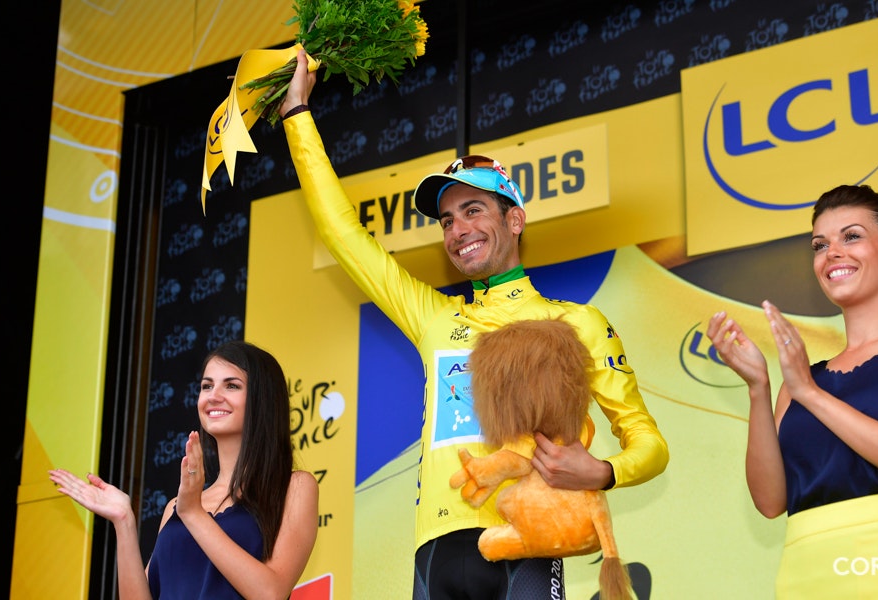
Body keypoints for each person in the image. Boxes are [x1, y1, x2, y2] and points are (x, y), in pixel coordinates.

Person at [278, 48, 668, 599]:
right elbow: (342, 234)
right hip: (436, 546)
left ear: (514, 219)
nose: (458, 228)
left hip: (527, 543)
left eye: (473, 210)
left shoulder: (576, 322)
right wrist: (298, 115)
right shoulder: (434, 316)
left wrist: (601, 472)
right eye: (447, 219)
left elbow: (648, 441)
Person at [706, 184, 878, 598]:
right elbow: (772, 502)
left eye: (852, 236)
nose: (832, 252)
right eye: (819, 244)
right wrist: (759, 387)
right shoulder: (801, 379)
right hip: (803, 569)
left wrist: (811, 394)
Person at [50, 340, 319, 599]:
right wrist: (124, 522)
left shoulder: (295, 487)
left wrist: (193, 514)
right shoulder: (177, 507)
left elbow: (269, 593)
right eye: (206, 386)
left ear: (263, 400)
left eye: (232, 386)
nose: (213, 396)